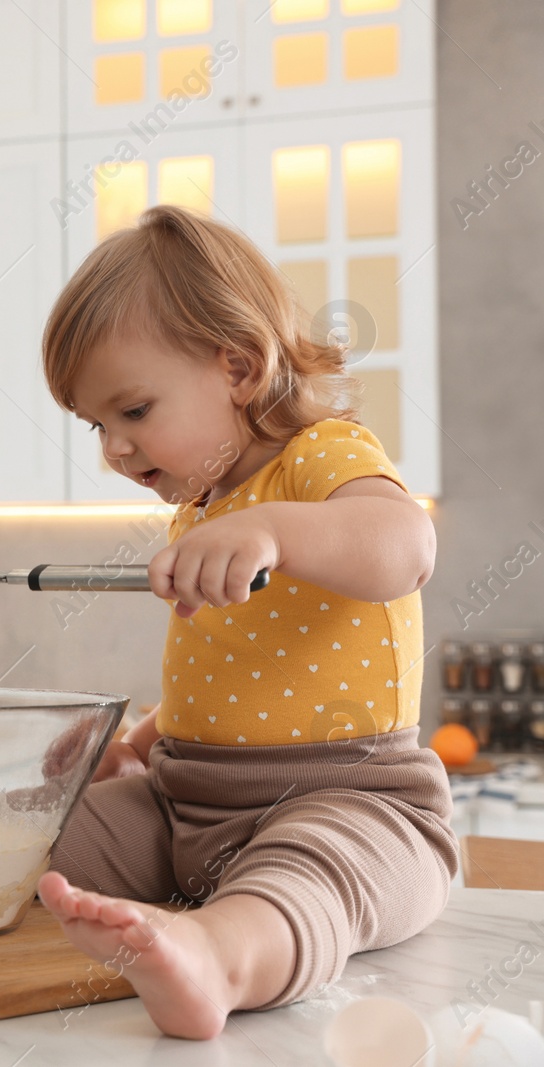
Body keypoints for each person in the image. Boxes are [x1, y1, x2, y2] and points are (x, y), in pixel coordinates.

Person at [35, 204, 452, 1039]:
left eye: (135, 410)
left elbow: (404, 545)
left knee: (304, 878)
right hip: (185, 801)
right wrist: (137, 747)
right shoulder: (202, 508)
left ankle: (217, 955)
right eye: (97, 425)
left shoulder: (322, 456)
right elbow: (228, 667)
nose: (114, 447)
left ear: (238, 366)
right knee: (30, 831)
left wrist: (273, 532)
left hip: (348, 798)